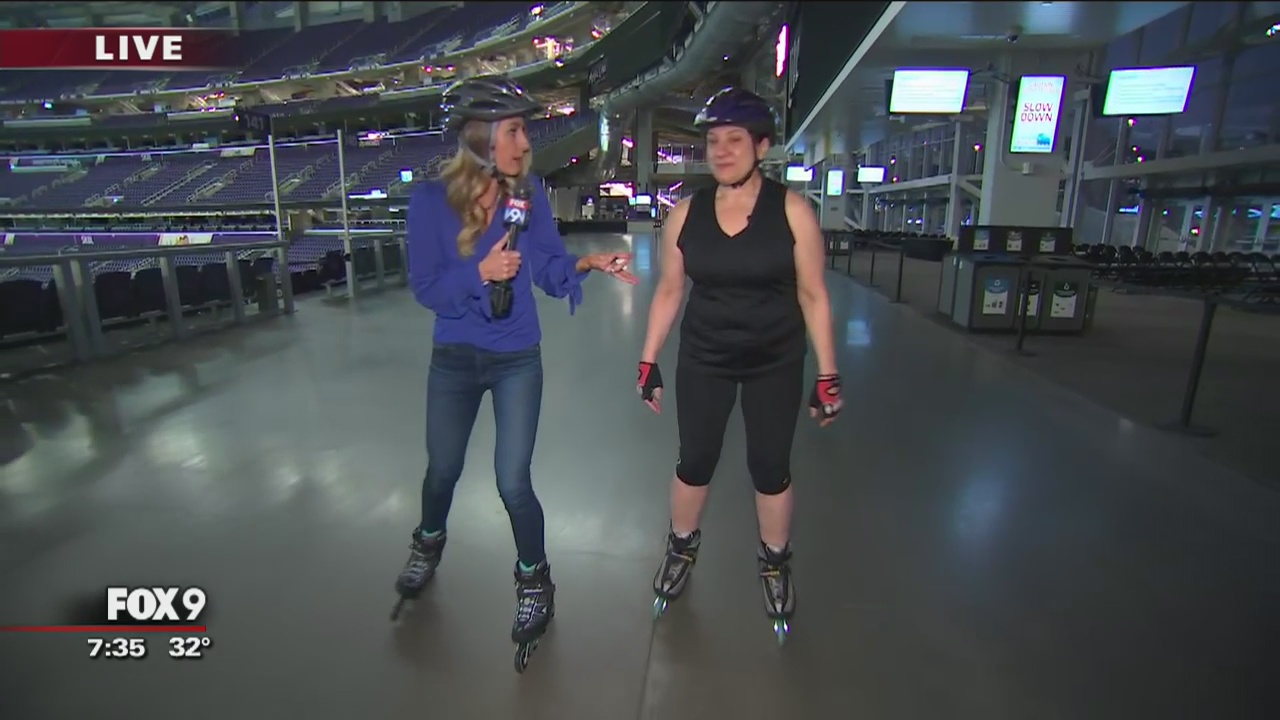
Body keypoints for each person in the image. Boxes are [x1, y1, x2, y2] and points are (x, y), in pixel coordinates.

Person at [394, 75, 637, 654]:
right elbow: (427, 288)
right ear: (479, 137)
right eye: (514, 130)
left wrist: (584, 265)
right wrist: (479, 273)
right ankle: (428, 541)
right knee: (442, 470)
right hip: (454, 358)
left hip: (516, 359)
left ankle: (535, 580)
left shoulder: (528, 198)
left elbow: (548, 268)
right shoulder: (429, 202)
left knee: (512, 480)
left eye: (524, 130)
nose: (525, 142)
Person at [634, 87, 843, 639]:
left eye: (734, 140)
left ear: (761, 146)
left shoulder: (792, 211)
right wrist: (648, 359)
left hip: (775, 359)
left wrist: (828, 374)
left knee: (770, 466)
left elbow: (813, 294)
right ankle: (682, 546)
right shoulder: (687, 214)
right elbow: (670, 291)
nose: (722, 151)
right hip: (705, 356)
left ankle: (775, 560)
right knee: (695, 459)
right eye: (713, 141)